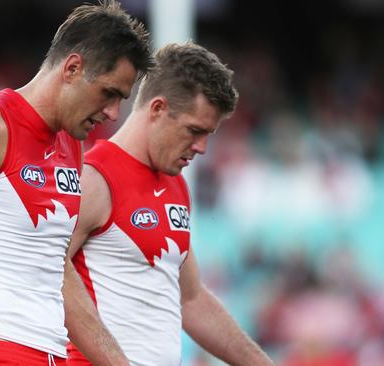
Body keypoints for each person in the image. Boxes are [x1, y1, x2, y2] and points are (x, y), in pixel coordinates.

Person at [0, 1, 154, 365]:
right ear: (72, 69)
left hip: (48, 353)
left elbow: (53, 264)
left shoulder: (71, 144)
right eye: (109, 93)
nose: (113, 113)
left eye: (121, 99)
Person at [65, 42, 274, 366]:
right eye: (194, 130)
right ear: (158, 108)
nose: (202, 147)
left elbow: (191, 299)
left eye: (209, 134)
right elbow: (47, 271)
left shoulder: (175, 184)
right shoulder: (94, 180)